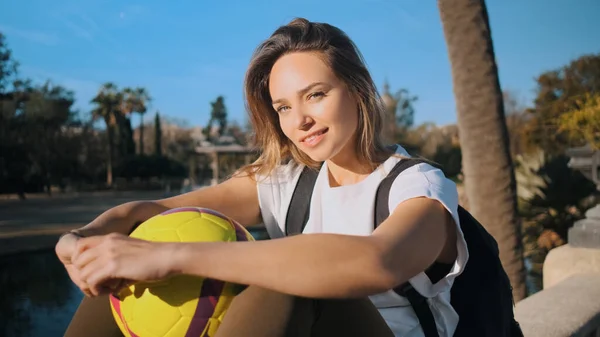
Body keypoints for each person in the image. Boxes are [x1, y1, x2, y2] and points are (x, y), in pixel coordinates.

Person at [56, 17, 467, 337]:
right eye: (283, 107)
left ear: (357, 91)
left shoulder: (418, 186)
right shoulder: (287, 182)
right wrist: (82, 241)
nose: (301, 120)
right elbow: (148, 212)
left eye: (316, 94)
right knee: (118, 279)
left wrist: (170, 258)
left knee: (290, 280)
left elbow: (379, 261)